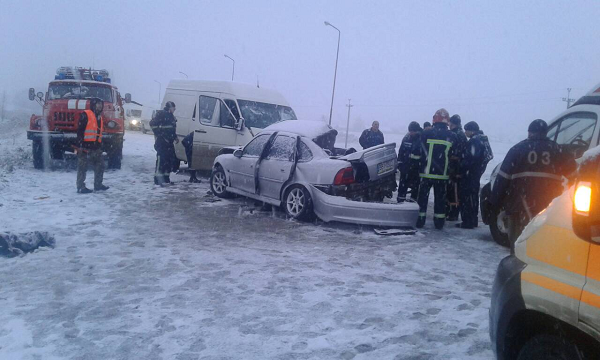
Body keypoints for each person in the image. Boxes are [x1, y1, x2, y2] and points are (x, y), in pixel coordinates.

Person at [490, 119, 576, 247]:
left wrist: (495, 202)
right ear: (546, 133)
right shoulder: (558, 150)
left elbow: (502, 179)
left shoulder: (517, 149)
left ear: (529, 133)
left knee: (519, 245)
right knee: (543, 246)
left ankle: (518, 262)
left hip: (519, 208)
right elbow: (575, 175)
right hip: (548, 209)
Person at [416, 109, 458, 229]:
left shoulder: (425, 133)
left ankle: (420, 220)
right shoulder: (452, 135)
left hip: (426, 173)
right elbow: (454, 155)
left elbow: (419, 150)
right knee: (440, 199)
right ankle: (439, 222)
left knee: (422, 198)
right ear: (447, 121)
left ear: (434, 120)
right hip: (442, 174)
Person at [456, 121, 493, 229]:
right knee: (473, 197)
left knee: (466, 198)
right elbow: (488, 156)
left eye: (466, 130)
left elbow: (470, 159)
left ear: (471, 130)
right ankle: (473, 220)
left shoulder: (474, 141)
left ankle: (467, 221)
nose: (465, 132)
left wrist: (461, 169)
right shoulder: (483, 139)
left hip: (470, 174)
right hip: (476, 174)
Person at [76, 97, 109, 194]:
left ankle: (98, 185)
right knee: (82, 167)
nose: (100, 106)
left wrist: (100, 145)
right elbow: (80, 131)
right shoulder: (86, 114)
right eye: (98, 104)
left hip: (96, 147)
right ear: (93, 105)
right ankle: (80, 187)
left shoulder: (99, 117)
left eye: (101, 104)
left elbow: (98, 133)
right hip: (85, 146)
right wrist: (81, 145)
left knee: (100, 166)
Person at [150, 101, 179, 185]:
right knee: (161, 161)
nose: (174, 110)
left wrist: (175, 137)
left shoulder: (171, 116)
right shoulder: (161, 114)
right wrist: (160, 135)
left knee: (169, 161)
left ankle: (166, 178)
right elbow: (153, 124)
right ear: (170, 107)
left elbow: (171, 130)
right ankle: (158, 180)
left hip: (169, 143)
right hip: (162, 143)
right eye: (174, 108)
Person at [446, 114, 468, 221]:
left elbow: (456, 153)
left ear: (452, 123)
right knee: (454, 190)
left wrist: (451, 159)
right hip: (457, 166)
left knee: (453, 191)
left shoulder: (456, 134)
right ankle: (453, 211)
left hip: (455, 167)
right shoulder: (461, 134)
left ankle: (453, 213)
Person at [397, 121, 422, 202]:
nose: (411, 133)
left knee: (415, 187)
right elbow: (401, 151)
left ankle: (413, 202)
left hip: (416, 169)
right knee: (402, 187)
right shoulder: (406, 138)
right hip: (405, 168)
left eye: (413, 131)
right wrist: (400, 163)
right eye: (410, 131)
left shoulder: (422, 139)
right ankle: (400, 201)